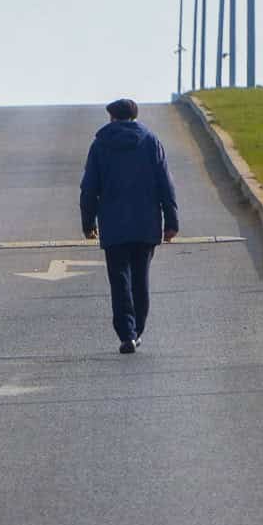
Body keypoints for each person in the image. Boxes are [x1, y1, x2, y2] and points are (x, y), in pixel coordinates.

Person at [79, 98, 179, 354]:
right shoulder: (150, 142)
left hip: (114, 224)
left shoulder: (100, 144)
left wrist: (88, 223)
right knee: (140, 277)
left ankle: (127, 333)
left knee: (119, 278)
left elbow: (89, 188)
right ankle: (138, 329)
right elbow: (165, 183)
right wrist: (171, 221)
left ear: (112, 117)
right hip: (146, 223)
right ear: (134, 117)